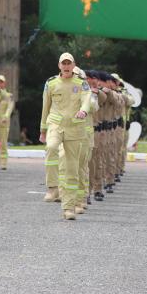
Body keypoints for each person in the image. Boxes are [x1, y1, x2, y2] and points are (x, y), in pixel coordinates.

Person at [39, 53, 91, 221]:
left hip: (75, 129)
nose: (66, 66)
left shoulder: (81, 84)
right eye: (64, 63)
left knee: (72, 169)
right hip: (55, 125)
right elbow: (45, 106)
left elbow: (87, 99)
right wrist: (42, 129)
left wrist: (83, 110)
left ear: (74, 65)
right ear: (59, 65)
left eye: (69, 63)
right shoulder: (51, 83)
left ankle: (68, 207)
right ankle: (53, 187)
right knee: (51, 147)